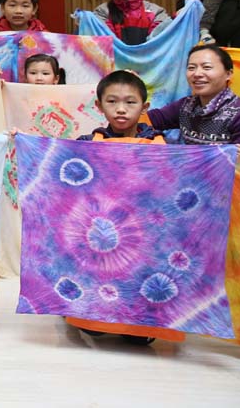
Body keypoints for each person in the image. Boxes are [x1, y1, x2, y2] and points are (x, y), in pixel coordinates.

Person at [64, 71, 180, 345]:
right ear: (99, 105)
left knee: (140, 307)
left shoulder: (165, 147)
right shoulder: (86, 145)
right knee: (95, 324)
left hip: (146, 235)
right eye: (112, 101)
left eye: (130, 102)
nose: (121, 109)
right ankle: (91, 315)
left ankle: (139, 322)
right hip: (101, 235)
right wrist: (24, 142)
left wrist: (223, 155)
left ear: (145, 107)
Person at [148, 45, 240, 145]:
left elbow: (238, 154)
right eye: (191, 68)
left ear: (228, 74)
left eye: (207, 67)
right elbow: (148, 120)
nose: (197, 74)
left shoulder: (239, 114)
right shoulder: (185, 106)